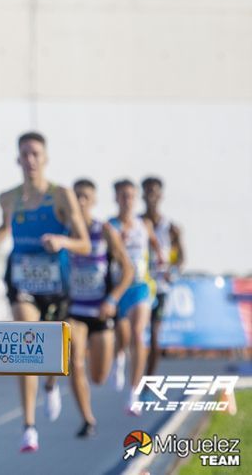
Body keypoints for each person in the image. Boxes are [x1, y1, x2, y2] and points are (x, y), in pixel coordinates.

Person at [0, 132, 90, 453]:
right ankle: (29, 426)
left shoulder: (62, 195)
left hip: (56, 283)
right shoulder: (8, 197)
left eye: (36, 153)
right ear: (18, 159)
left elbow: (84, 242)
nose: (31, 159)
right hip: (22, 280)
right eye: (25, 154)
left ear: (45, 159)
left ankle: (50, 382)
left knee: (56, 350)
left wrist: (62, 242)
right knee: (25, 338)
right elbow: (4, 229)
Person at [66, 179, 134, 438]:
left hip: (101, 311)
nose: (81, 201)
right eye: (77, 196)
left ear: (93, 201)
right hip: (75, 311)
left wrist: (113, 299)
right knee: (74, 361)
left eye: (86, 196)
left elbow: (129, 270)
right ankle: (87, 418)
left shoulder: (103, 230)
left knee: (99, 377)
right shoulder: (67, 231)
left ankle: (116, 356)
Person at [107, 179, 162, 415]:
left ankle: (133, 393)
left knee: (139, 335)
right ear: (116, 198)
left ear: (135, 198)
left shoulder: (144, 224)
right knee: (123, 337)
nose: (127, 200)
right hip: (119, 288)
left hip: (141, 286)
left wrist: (161, 258)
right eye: (122, 196)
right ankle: (119, 356)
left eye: (130, 195)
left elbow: (156, 247)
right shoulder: (109, 226)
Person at [141, 176, 185, 377]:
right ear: (142, 194)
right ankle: (132, 375)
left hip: (160, 288)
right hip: (140, 286)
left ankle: (148, 379)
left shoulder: (170, 227)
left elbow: (181, 257)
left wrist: (172, 272)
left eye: (154, 191)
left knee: (155, 336)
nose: (151, 195)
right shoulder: (137, 223)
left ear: (161, 195)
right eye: (147, 191)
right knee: (135, 335)